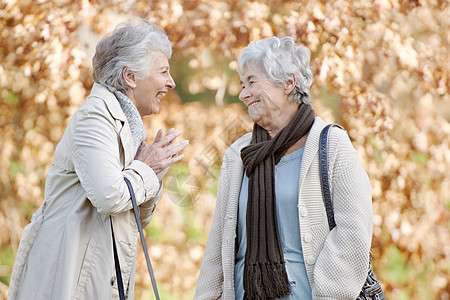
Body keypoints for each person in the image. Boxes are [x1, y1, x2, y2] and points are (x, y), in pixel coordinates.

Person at [8, 18, 188, 299]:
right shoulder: (95, 117)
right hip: (69, 283)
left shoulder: (126, 125)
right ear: (130, 76)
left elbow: (136, 216)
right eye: (163, 71)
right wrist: (146, 168)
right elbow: (109, 196)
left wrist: (156, 170)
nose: (170, 81)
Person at [194, 36, 373, 300]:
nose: (243, 94)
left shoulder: (331, 144)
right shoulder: (238, 156)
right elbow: (218, 245)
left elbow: (353, 232)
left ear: (288, 82)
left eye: (251, 82)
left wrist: (329, 295)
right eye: (242, 85)